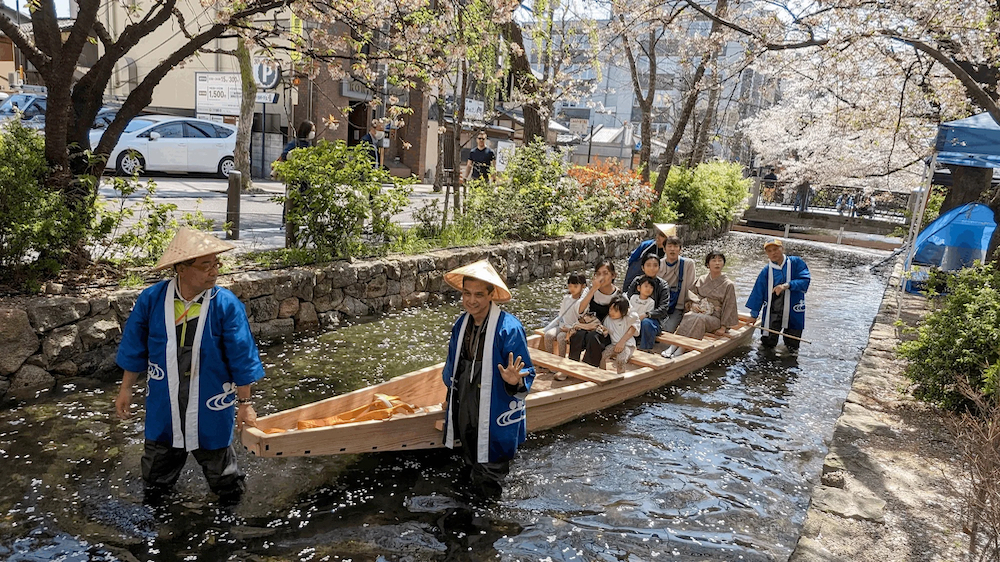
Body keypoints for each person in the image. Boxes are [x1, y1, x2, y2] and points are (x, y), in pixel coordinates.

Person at [114, 228, 265, 506]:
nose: (214, 271)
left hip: (210, 405)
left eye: (216, 264)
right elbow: (134, 345)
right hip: (164, 408)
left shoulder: (226, 306)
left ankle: (226, 532)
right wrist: (126, 388)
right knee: (155, 482)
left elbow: (241, 356)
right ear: (181, 268)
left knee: (226, 481)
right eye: (206, 265)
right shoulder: (152, 299)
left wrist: (246, 403)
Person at [441, 260, 536, 497]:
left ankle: (490, 521)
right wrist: (448, 400)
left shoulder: (509, 329)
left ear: (491, 295)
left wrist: (514, 381)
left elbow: (526, 374)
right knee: (470, 457)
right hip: (466, 398)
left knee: (492, 468)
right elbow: (453, 367)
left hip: (496, 403)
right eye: (467, 293)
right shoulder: (461, 324)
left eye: (479, 295)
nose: (471, 300)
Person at [665, 251, 740, 358]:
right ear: (708, 264)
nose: (717, 263)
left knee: (700, 319)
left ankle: (683, 348)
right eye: (714, 260)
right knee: (689, 315)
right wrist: (693, 304)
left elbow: (729, 306)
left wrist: (723, 327)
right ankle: (674, 345)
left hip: (715, 317)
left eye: (720, 260)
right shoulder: (702, 279)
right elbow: (691, 294)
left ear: (723, 264)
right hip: (699, 310)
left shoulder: (728, 284)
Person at [745, 238, 811, 352]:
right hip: (773, 309)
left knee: (792, 347)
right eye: (769, 251)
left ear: (782, 249)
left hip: (793, 308)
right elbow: (758, 292)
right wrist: (753, 315)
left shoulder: (796, 263)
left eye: (775, 249)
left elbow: (805, 280)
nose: (773, 253)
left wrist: (787, 285)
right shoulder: (767, 270)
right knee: (767, 345)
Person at [568, 259, 622, 367]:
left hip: (608, 332)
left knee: (594, 336)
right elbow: (580, 310)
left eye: (605, 273)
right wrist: (594, 289)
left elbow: (629, 316)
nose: (601, 277)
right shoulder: (590, 290)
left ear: (613, 275)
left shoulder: (619, 295)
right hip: (590, 326)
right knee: (578, 334)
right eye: (598, 274)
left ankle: (589, 368)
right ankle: (571, 366)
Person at [625, 255, 671, 350]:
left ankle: (645, 349)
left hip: (653, 320)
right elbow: (627, 299)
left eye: (655, 265)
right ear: (643, 267)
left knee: (646, 323)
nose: (652, 268)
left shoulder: (663, 285)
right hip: (634, 315)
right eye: (648, 265)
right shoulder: (637, 281)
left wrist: (647, 314)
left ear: (659, 267)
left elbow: (663, 309)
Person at [658, 235, 697, 333]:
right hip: (659, 304)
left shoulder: (688, 264)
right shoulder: (658, 263)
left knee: (667, 329)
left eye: (676, 246)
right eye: (669, 246)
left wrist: (689, 305)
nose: (672, 249)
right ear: (664, 248)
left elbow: (691, 287)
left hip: (677, 306)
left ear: (680, 249)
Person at [542, 273, 586, 358]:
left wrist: (569, 328)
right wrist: (561, 325)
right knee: (548, 335)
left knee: (561, 337)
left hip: (573, 329)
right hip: (562, 326)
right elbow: (561, 315)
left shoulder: (582, 303)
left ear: (582, 286)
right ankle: (549, 359)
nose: (572, 289)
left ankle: (561, 360)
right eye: (570, 286)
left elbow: (582, 320)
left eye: (575, 286)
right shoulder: (566, 299)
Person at [622, 223, 673, 291]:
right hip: (636, 275)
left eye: (662, 236)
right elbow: (632, 259)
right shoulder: (646, 245)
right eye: (658, 234)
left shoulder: (670, 253)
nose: (658, 237)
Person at [600, 296, 640, 373]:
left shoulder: (628, 318)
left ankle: (621, 376)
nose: (612, 312)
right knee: (602, 356)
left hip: (627, 345)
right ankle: (603, 373)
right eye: (611, 309)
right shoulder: (607, 319)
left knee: (621, 360)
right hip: (614, 345)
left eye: (616, 311)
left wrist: (622, 342)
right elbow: (607, 331)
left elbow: (635, 318)